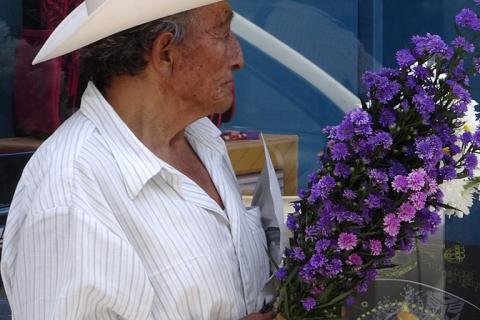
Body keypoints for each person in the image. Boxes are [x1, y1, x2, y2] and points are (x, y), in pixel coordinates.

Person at [1, 0, 275, 319]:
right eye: (223, 33)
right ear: (166, 52)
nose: (238, 58)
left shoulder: (201, 139)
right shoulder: (72, 189)